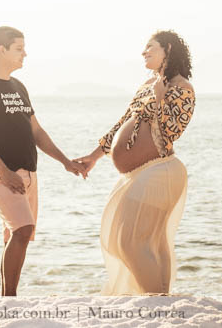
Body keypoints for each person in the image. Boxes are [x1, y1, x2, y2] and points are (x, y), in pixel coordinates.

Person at [0, 26, 84, 296]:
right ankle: (10, 299)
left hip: (28, 174)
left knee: (15, 235)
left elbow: (37, 132)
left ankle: (6, 300)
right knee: (23, 229)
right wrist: (4, 172)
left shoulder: (19, 88)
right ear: (2, 49)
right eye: (19, 48)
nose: (25, 54)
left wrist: (65, 161)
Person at [73, 30, 195, 294]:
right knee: (148, 241)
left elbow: (171, 131)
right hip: (139, 174)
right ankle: (161, 298)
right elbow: (123, 122)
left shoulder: (181, 87)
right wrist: (95, 156)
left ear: (168, 49)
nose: (143, 52)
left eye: (150, 47)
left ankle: (156, 299)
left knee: (129, 241)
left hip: (160, 170)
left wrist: (161, 97)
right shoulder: (148, 84)